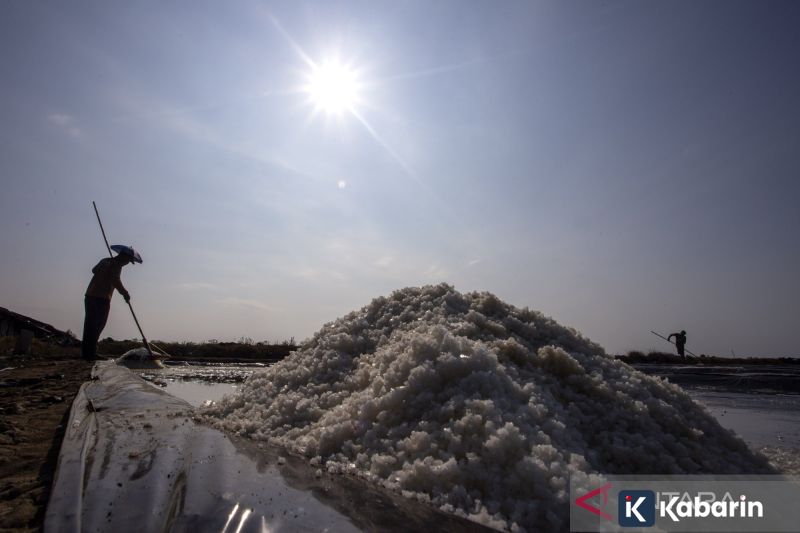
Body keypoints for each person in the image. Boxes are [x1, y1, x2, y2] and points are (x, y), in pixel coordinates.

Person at [82, 246, 142, 360]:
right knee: (97, 325)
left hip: (90, 295)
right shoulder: (116, 265)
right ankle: (90, 353)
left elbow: (94, 270)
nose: (127, 263)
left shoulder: (105, 260)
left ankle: (87, 352)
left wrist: (106, 268)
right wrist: (125, 293)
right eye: (128, 261)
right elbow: (115, 280)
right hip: (102, 297)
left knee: (90, 324)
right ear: (124, 257)